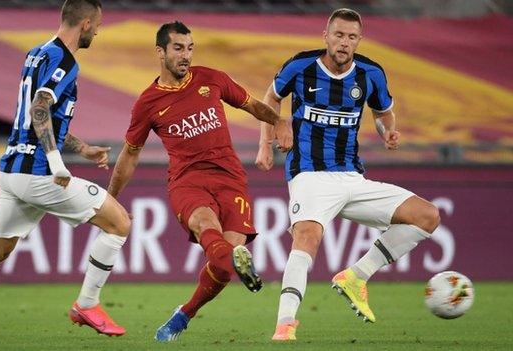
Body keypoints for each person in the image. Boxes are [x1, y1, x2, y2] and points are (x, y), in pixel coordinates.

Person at [0, 1, 131, 345]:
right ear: (86, 23)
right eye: (98, 25)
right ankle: (87, 304)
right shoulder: (66, 61)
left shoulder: (36, 54)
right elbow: (39, 108)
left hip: (12, 172)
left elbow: (44, 116)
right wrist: (58, 164)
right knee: (119, 223)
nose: (99, 32)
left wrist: (83, 148)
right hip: (39, 174)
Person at [255, 8, 441, 341]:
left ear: (359, 40)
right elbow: (271, 98)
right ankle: (285, 323)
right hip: (309, 173)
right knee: (307, 237)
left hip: (352, 177)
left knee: (427, 216)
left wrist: (387, 132)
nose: (344, 43)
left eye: (351, 37)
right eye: (338, 35)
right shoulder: (300, 66)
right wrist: (267, 142)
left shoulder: (370, 74)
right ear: (325, 35)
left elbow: (384, 113)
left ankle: (357, 276)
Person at [107, 21, 292, 342]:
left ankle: (184, 313)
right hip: (188, 181)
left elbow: (251, 105)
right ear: (160, 52)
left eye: (190, 48)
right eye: (178, 48)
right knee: (205, 223)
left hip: (231, 179)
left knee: (222, 266)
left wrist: (278, 120)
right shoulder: (148, 103)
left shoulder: (212, 79)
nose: (186, 55)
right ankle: (235, 260)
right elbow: (129, 155)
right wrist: (109, 200)